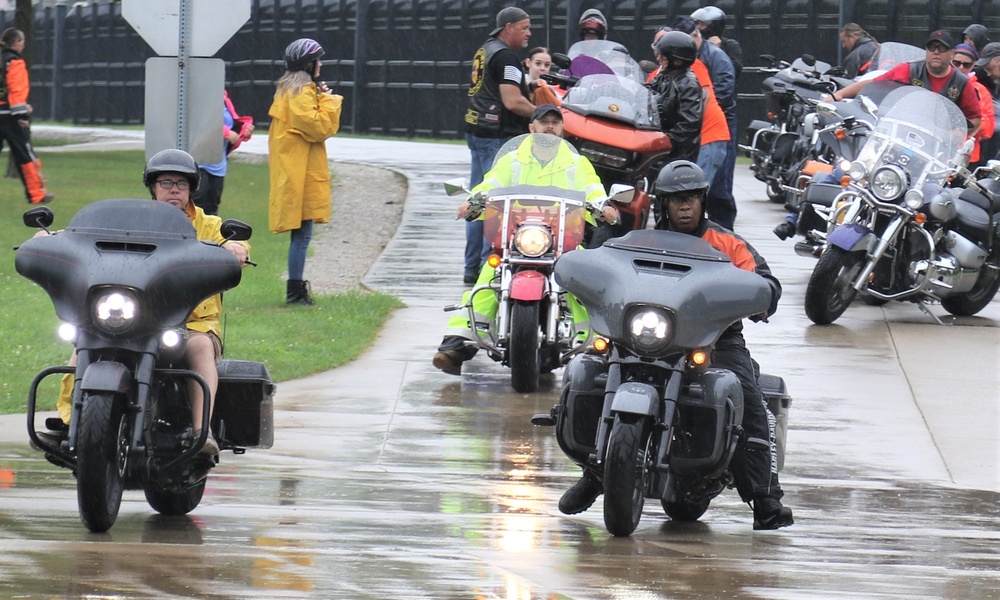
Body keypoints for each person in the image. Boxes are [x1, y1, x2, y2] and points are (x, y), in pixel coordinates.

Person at [559, 160, 793, 531]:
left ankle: (765, 497)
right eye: (675, 199)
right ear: (662, 204)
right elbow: (598, 262)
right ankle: (594, 474)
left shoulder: (726, 242)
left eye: (692, 198)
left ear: (703, 201)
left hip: (714, 339)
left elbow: (764, 280)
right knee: (590, 372)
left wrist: (761, 296)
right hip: (644, 333)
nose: (685, 206)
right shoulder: (635, 241)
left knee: (747, 396)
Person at [41, 150, 251, 456]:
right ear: (153, 187)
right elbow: (86, 236)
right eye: (166, 182)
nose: (174, 189)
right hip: (136, 316)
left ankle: (200, 433)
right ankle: (71, 420)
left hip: (190, 323)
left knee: (201, 347)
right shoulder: (131, 220)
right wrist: (50, 237)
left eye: (181, 183)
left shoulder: (208, 225)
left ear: (192, 188)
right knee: (82, 338)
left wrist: (235, 248)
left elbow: (234, 243)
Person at [433, 105, 616, 376]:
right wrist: (473, 200)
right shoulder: (512, 160)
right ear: (531, 128)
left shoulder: (578, 164)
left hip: (562, 241)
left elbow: (593, 190)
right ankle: (457, 344)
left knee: (581, 278)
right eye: (544, 122)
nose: (550, 127)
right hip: (517, 238)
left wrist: (605, 206)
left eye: (555, 122)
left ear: (563, 130)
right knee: (490, 274)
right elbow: (490, 184)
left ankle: (590, 344)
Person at [268, 38, 343, 305]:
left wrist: (320, 96)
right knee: (302, 235)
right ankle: (296, 291)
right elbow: (319, 127)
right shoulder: (300, 94)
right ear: (308, 64)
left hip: (295, 172)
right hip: (300, 175)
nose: (321, 64)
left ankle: (296, 288)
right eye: (318, 60)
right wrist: (331, 101)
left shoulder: (291, 91)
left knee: (300, 234)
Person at [463, 6, 535, 285]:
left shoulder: (487, 48)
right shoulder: (506, 57)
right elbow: (512, 101)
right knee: (495, 204)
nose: (529, 33)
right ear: (509, 28)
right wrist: (544, 116)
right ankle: (485, 268)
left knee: (477, 200)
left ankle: (471, 268)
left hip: (478, 130)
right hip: (496, 136)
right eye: (525, 28)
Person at [831, 30, 981, 134]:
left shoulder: (961, 83)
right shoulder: (909, 70)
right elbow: (873, 83)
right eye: (931, 47)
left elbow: (975, 118)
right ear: (926, 51)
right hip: (900, 134)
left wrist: (956, 135)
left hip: (937, 145)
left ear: (951, 54)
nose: (936, 52)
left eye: (942, 48)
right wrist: (838, 95)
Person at [675, 18, 738, 230]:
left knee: (717, 187)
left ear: (695, 35)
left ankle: (724, 234)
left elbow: (720, 94)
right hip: (705, 127)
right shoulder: (693, 58)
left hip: (719, 124)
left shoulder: (712, 58)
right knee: (706, 187)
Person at [0, 27, 51, 205]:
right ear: (17, 42)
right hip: (11, 117)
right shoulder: (14, 62)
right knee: (25, 155)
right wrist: (21, 114)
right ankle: (37, 194)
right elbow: (16, 90)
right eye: (22, 42)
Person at [647, 30, 704, 169]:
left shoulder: (688, 84)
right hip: (661, 149)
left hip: (676, 155)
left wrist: (664, 139)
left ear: (677, 60)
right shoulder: (665, 76)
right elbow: (646, 90)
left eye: (664, 56)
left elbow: (690, 124)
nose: (659, 58)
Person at [192, 90, 254, 216]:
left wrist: (245, 130)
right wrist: (225, 133)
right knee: (197, 203)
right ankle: (192, 234)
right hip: (199, 161)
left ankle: (211, 235)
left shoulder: (224, 98)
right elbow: (199, 121)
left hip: (218, 163)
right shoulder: (200, 96)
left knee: (213, 204)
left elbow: (234, 122)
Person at [951, 43, 995, 166]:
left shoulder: (981, 91)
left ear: (973, 67)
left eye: (966, 64)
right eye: (957, 63)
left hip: (967, 157)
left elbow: (988, 129)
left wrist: (967, 127)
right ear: (950, 60)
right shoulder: (938, 81)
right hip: (938, 149)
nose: (961, 67)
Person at [690, 5, 743, 78]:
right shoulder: (695, 43)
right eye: (698, 24)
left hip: (719, 86)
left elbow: (734, 71)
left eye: (702, 24)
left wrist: (719, 51)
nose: (698, 27)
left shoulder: (730, 45)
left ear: (713, 26)